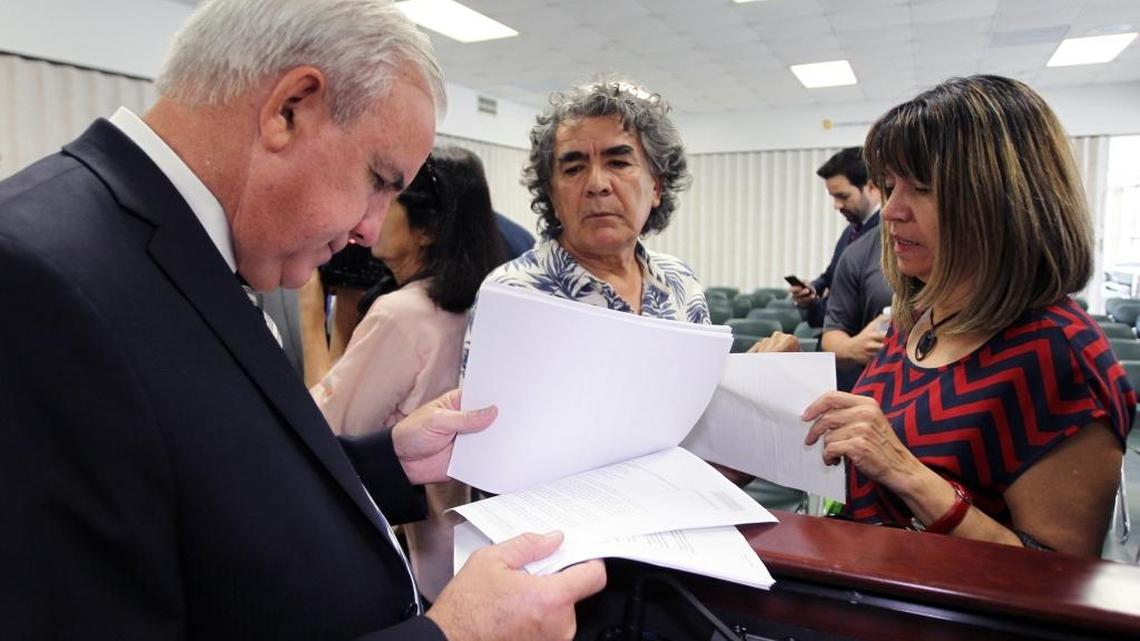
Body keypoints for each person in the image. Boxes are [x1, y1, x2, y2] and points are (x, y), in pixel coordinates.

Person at [0, 1, 604, 640]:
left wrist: (386, 461)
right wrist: (454, 635)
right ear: (290, 110)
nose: (371, 229)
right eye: (377, 179)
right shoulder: (35, 279)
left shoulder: (181, 241)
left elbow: (204, 486)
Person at [795, 75, 1136, 556]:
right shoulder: (921, 312)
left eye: (923, 188)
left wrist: (906, 472)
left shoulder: (1059, 355)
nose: (891, 211)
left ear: (1002, 203)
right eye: (890, 187)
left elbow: (1059, 582)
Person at [310, 146, 504, 596]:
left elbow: (326, 428)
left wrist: (306, 314)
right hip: (467, 546)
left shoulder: (401, 315)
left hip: (411, 553)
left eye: (388, 198)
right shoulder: (480, 303)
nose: (368, 211)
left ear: (427, 231)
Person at [467, 79, 708, 337]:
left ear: (657, 187)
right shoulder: (512, 295)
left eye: (618, 163)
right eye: (574, 169)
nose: (597, 184)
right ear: (552, 195)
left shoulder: (680, 283)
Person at [788, 147, 882, 328]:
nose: (837, 205)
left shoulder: (887, 236)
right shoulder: (851, 231)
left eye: (843, 196)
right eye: (833, 196)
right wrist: (812, 290)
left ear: (871, 187)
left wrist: (817, 305)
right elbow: (830, 276)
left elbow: (855, 304)